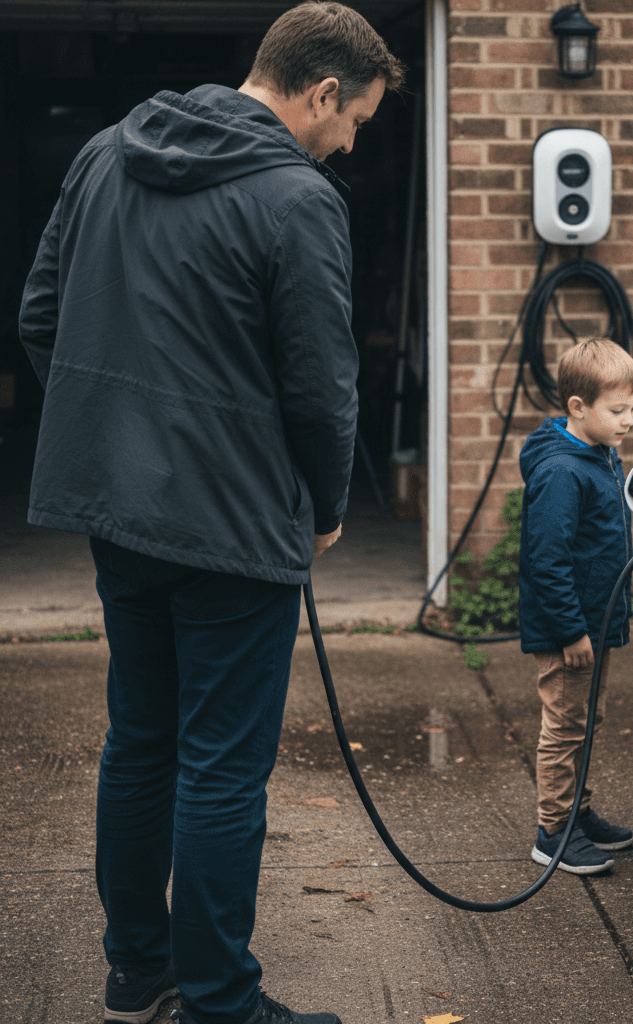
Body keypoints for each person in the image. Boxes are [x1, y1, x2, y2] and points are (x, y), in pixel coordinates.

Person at [18, 4, 403, 1023]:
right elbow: (322, 387)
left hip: (121, 515)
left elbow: (38, 315)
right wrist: (323, 507)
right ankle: (223, 1001)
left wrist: (115, 436)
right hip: (233, 527)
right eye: (355, 118)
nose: (351, 140)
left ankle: (138, 970)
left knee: (139, 739)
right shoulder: (297, 198)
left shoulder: (108, 153)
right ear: (321, 93)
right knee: (221, 767)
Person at [518, 338, 633, 875]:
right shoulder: (562, 473)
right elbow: (546, 561)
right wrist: (571, 631)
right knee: (566, 726)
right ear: (577, 407)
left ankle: (578, 813)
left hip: (595, 622)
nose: (629, 422)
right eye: (617, 411)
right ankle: (553, 832)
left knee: (588, 721)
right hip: (570, 631)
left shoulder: (598, 453)